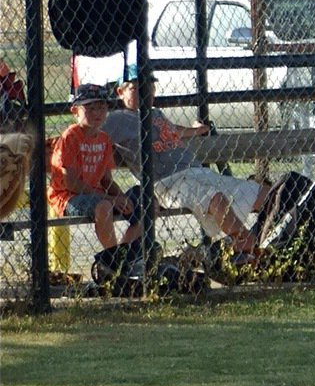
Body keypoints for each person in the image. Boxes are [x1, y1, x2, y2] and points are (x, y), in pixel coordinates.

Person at [103, 65, 269, 257]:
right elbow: (90, 134)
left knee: (264, 194)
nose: (145, 91)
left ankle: (263, 242)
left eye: (150, 86)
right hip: (167, 182)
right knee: (216, 198)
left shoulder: (155, 113)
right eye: (136, 87)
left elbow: (172, 131)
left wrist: (195, 130)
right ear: (120, 92)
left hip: (198, 173)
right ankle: (244, 244)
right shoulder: (117, 119)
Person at [48, 84, 144, 269]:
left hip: (98, 194)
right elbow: (71, 183)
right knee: (104, 207)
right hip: (68, 197)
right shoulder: (71, 136)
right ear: (76, 111)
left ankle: (125, 254)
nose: (97, 113)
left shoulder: (104, 139)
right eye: (90, 108)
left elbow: (106, 180)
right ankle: (116, 263)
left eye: (101, 107)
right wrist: (110, 199)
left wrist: (120, 196)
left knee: (145, 199)